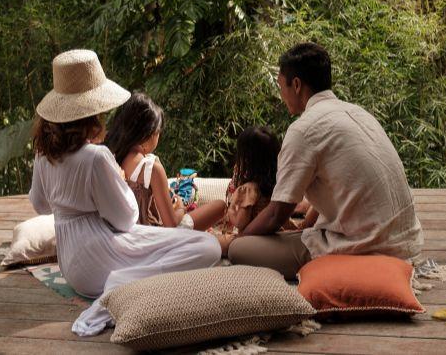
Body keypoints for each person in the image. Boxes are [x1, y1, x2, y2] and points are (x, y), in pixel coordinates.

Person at [28, 50, 221, 336]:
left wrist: (71, 203)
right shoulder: (96, 157)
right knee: (208, 247)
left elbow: (40, 205)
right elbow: (126, 220)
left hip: (70, 265)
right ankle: (121, 288)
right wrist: (117, 181)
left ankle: (122, 283)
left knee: (179, 243)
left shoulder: (44, 156)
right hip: (101, 261)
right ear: (92, 112)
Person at [227, 42, 424, 279]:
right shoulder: (359, 113)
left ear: (296, 85)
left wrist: (239, 237)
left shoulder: (304, 129)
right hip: (407, 243)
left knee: (239, 250)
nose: (282, 95)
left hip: (365, 248)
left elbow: (277, 213)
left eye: (282, 87)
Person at [104, 92, 226, 230]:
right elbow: (171, 224)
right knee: (220, 206)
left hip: (125, 233)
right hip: (155, 236)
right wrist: (180, 208)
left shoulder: (109, 157)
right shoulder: (151, 168)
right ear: (149, 133)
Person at [217, 126, 297, 255]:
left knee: (215, 242)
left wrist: (230, 210)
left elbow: (240, 222)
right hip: (276, 235)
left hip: (254, 240)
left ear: (246, 158)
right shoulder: (279, 183)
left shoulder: (248, 189)